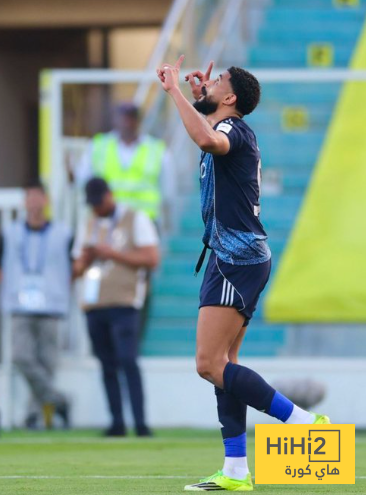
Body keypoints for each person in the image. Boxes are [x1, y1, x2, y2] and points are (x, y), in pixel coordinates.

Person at [157, 57, 330, 492]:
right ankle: (235, 470)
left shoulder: (232, 130)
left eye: (217, 81)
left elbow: (208, 139)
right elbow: (208, 127)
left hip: (236, 258)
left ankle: (303, 421)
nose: (209, 82)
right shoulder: (229, 125)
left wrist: (174, 91)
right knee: (224, 365)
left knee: (207, 364)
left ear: (231, 97)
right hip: (234, 256)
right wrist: (200, 97)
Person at [73, 178, 159, 437]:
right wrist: (87, 257)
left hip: (125, 302)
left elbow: (151, 258)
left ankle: (140, 423)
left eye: (99, 202)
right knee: (106, 364)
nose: (97, 209)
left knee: (127, 360)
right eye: (93, 205)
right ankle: (117, 422)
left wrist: (112, 253)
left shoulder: (136, 218)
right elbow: (76, 268)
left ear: (110, 195)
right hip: (95, 304)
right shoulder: (87, 223)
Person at [0, 182, 72, 429]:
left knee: (47, 361)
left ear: (46, 200)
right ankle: (58, 400)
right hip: (20, 302)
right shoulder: (10, 232)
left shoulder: (62, 232)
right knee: (20, 356)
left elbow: (72, 265)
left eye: (39, 197)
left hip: (51, 302)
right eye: (30, 197)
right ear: (24, 201)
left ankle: (32, 414)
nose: (35, 202)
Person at [76, 102, 175, 223]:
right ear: (115, 120)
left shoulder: (157, 150)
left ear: (138, 121)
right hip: (107, 220)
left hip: (146, 221)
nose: (127, 123)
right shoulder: (98, 146)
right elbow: (82, 180)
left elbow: (168, 192)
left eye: (131, 118)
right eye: (124, 118)